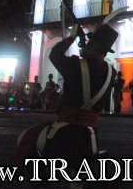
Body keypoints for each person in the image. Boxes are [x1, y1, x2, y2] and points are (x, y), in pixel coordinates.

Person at [40, 23, 118, 172]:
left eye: (89, 42)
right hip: (90, 134)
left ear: (94, 45)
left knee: (40, 161)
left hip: (65, 131)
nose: (85, 44)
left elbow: (55, 54)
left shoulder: (75, 65)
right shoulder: (111, 71)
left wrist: (72, 37)